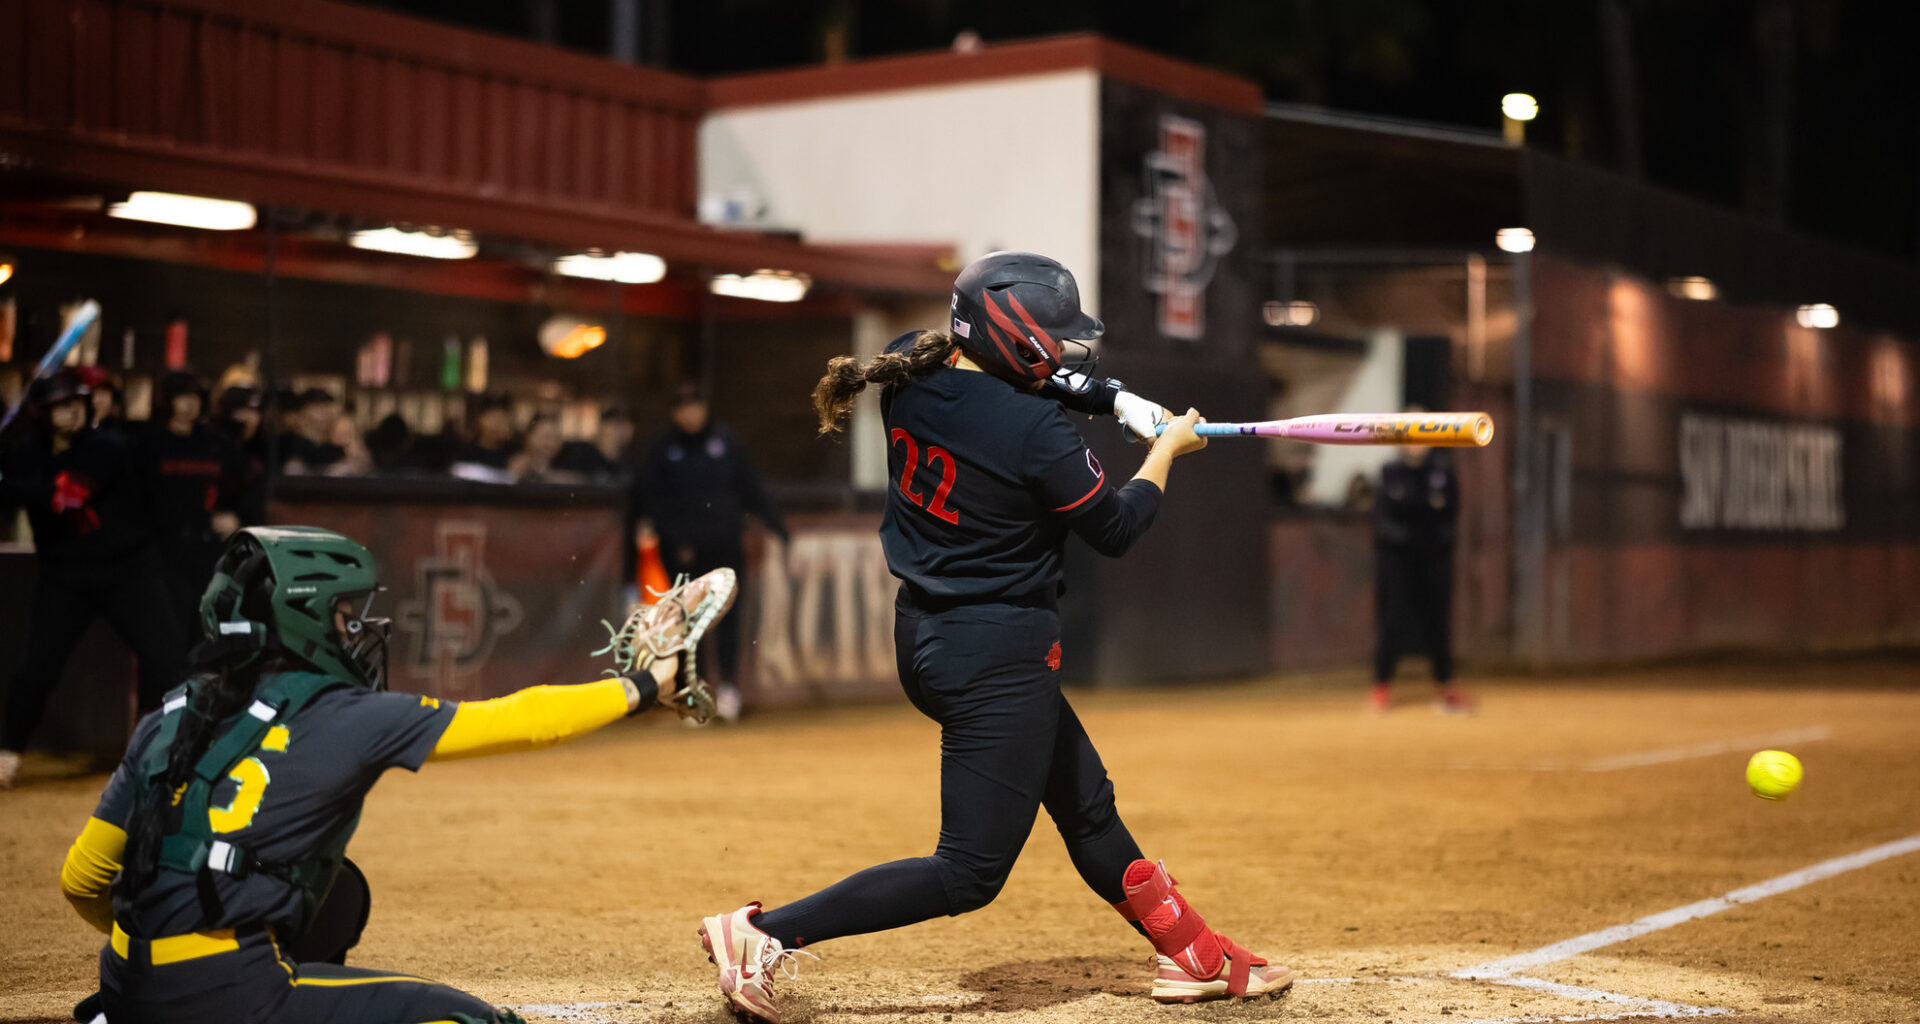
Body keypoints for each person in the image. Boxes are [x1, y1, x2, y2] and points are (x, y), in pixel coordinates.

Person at [695, 251, 1293, 1021]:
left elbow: (1029, 383)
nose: (1065, 351)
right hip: (996, 654)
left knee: (1087, 806)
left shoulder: (912, 368)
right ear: (1015, 338)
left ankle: (1192, 953)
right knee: (969, 872)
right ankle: (764, 934)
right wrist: (1163, 453)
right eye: (1052, 337)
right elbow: (1113, 526)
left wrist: (1113, 400)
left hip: (931, 638)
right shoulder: (1031, 428)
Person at [58, 525, 738, 1024]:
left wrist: (159, 952)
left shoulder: (169, 714)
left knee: (338, 895)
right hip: (226, 997)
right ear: (302, 622)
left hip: (122, 990)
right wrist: (648, 685)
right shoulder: (345, 712)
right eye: (344, 616)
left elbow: (81, 880)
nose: (356, 630)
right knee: (472, 1023)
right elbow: (518, 720)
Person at [0, 369, 186, 788]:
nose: (73, 412)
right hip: (64, 575)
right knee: (36, 669)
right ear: (41, 413)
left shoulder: (108, 447)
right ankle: (8, 752)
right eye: (61, 406)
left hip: (127, 570)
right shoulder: (24, 451)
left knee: (169, 662)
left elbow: (67, 498)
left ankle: (185, 750)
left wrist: (8, 483)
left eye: (77, 404)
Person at [633, 384, 787, 722]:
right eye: (683, 407)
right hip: (682, 554)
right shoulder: (662, 448)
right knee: (689, 627)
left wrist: (777, 524)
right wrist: (674, 541)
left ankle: (729, 689)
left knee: (729, 618)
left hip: (725, 548)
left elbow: (750, 487)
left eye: (696, 406)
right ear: (675, 412)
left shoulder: (725, 442)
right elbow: (650, 500)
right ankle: (692, 693)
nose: (691, 413)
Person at [138, 369, 244, 650]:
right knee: (166, 641)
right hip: (162, 554)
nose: (190, 404)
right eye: (182, 397)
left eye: (195, 397)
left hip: (208, 550)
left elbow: (246, 482)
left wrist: (236, 515)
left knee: (205, 636)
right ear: (167, 401)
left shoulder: (215, 444)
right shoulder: (148, 444)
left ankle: (201, 693)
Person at [1370, 429, 1468, 713]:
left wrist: (1433, 539)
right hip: (1397, 561)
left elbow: (1450, 515)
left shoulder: (1441, 471)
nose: (1417, 443)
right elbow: (1382, 520)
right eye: (1410, 435)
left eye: (1422, 434)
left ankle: (1446, 687)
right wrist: (1407, 536)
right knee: (1392, 621)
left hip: (1434, 559)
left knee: (1438, 622)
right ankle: (1380, 688)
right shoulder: (1389, 472)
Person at [507, 414, 583, 484]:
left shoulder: (566, 463)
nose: (549, 443)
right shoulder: (518, 464)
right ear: (528, 437)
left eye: (556, 438)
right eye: (545, 437)